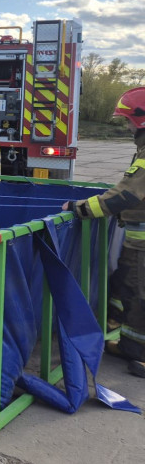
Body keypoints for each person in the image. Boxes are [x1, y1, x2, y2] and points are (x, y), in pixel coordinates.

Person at [62, 87, 145, 378]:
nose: (125, 125)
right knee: (126, 288)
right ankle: (128, 342)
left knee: (140, 294)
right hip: (136, 241)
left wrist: (80, 208)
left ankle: (141, 354)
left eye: (128, 119)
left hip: (142, 242)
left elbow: (125, 196)